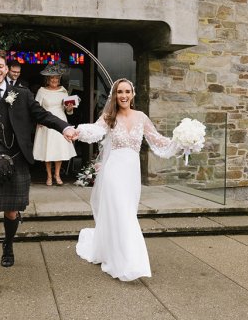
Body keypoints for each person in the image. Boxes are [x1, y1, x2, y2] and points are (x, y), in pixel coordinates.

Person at [0, 47, 76, 296]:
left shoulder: (21, 95)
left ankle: (8, 246)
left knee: (12, 213)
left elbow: (42, 115)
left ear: (6, 68)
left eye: (0, 66)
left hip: (15, 160)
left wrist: (64, 128)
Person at [73, 78, 180, 281]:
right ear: (115, 95)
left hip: (131, 172)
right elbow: (95, 131)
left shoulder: (141, 117)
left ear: (132, 94)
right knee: (122, 212)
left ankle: (118, 252)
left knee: (127, 211)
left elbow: (158, 140)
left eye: (127, 92)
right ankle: (130, 262)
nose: (123, 95)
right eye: (119, 92)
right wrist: (79, 132)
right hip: (114, 170)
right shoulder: (109, 116)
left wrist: (180, 142)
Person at [32, 63, 77, 186]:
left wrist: (69, 108)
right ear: (48, 79)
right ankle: (49, 176)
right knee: (48, 149)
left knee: (59, 149)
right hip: (46, 121)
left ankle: (57, 175)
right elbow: (35, 108)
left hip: (60, 120)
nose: (54, 80)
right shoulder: (41, 91)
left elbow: (68, 110)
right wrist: (39, 120)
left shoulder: (64, 91)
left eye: (57, 78)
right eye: (52, 78)